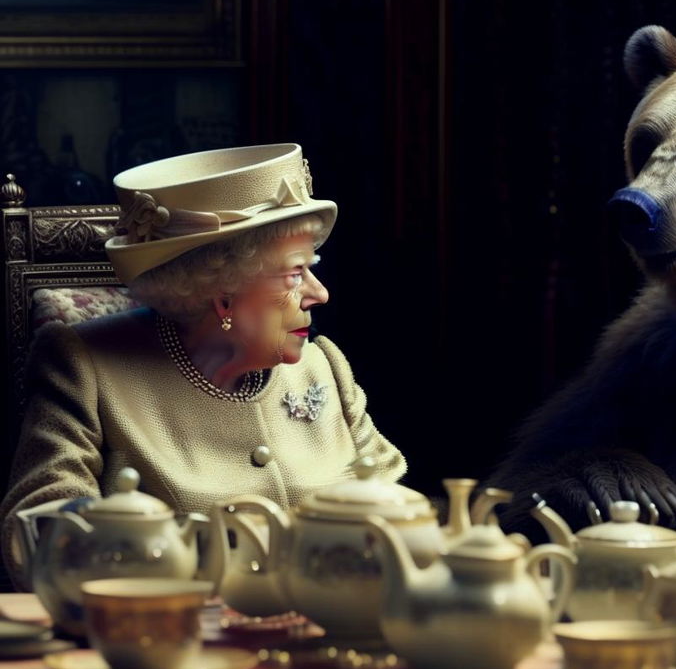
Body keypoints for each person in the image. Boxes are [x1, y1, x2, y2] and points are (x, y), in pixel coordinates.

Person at [2, 143, 405, 585]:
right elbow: (39, 533)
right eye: (295, 273)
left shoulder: (324, 365)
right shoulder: (85, 367)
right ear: (224, 291)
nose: (319, 293)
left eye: (313, 267)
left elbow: (400, 511)